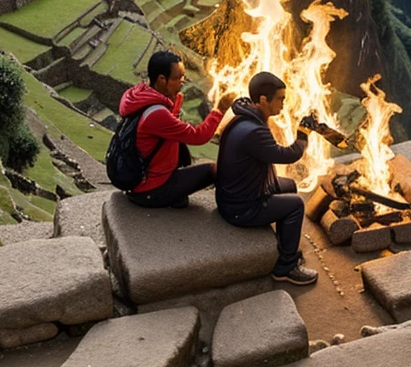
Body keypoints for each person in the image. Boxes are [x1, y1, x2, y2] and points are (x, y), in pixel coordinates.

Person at [215, 71, 318, 286]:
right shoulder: (253, 131)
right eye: (280, 98)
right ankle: (286, 267)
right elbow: (286, 156)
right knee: (296, 205)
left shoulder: (244, 115)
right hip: (241, 208)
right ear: (263, 99)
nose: (283, 103)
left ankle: (284, 246)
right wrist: (302, 135)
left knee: (289, 186)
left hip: (235, 194)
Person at [120, 49, 233, 208]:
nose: (182, 82)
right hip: (151, 188)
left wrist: (173, 102)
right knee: (213, 170)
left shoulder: (138, 96)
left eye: (183, 77)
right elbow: (198, 136)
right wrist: (220, 109)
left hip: (140, 181)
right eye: (178, 78)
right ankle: (236, 209)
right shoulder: (156, 114)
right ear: (161, 79)